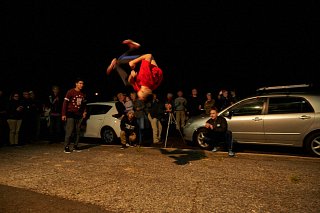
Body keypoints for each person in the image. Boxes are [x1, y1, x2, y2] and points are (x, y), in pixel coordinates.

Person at [61, 78, 87, 153]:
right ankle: (66, 146)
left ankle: (75, 146)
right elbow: (65, 103)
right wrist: (63, 114)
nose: (82, 85)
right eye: (80, 83)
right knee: (70, 130)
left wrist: (84, 112)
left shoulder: (82, 94)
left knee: (78, 131)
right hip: (70, 113)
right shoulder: (70, 92)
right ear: (76, 84)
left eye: (82, 84)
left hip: (79, 114)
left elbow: (84, 104)